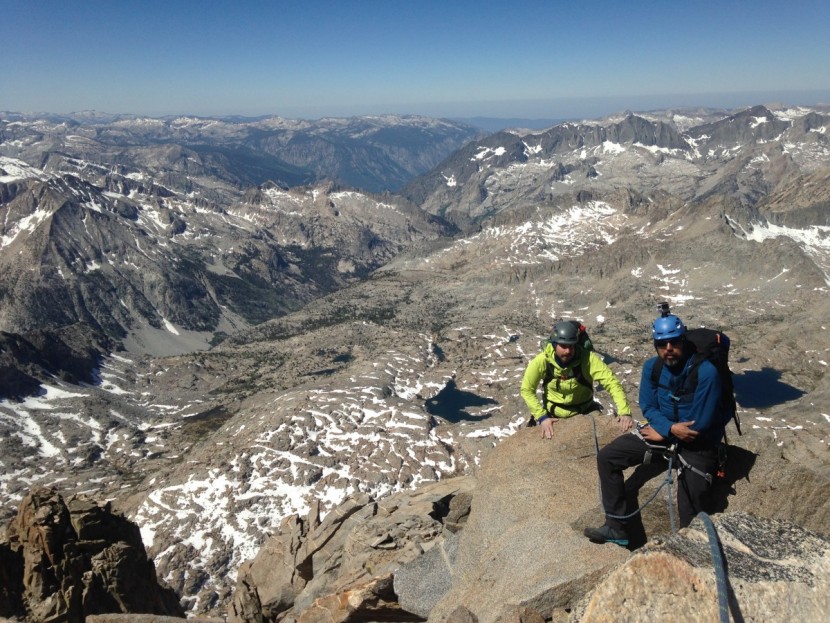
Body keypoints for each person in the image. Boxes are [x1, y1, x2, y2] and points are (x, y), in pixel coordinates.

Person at [584, 310, 726, 547]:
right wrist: (669, 430)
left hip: (697, 445)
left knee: (689, 507)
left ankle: (693, 553)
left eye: (674, 342)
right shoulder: (652, 368)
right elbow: (648, 406)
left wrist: (667, 432)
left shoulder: (706, 372)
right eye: (662, 343)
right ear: (655, 345)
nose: (668, 348)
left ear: (683, 341)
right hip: (664, 434)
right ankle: (616, 527)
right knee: (608, 458)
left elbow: (702, 422)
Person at [520, 320, 633, 440]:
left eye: (571, 346)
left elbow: (611, 383)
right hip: (553, 414)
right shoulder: (543, 360)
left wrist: (624, 412)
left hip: (586, 411)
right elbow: (527, 389)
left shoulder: (588, 358)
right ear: (554, 344)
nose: (567, 351)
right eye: (563, 346)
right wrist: (542, 417)